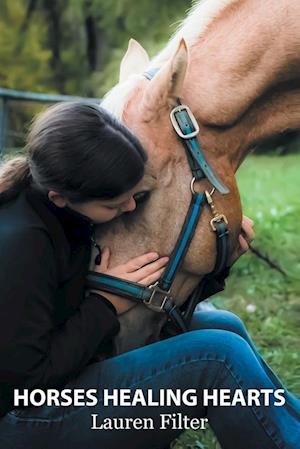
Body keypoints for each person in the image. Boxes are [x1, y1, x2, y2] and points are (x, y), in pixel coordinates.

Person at [0, 102, 298, 449]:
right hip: (26, 418)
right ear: (61, 197)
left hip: (67, 373)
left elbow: (132, 314)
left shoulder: (70, 214)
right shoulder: (22, 243)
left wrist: (223, 261)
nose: (128, 208)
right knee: (217, 355)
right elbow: (26, 383)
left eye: (135, 197)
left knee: (223, 326)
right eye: (115, 204)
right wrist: (105, 304)